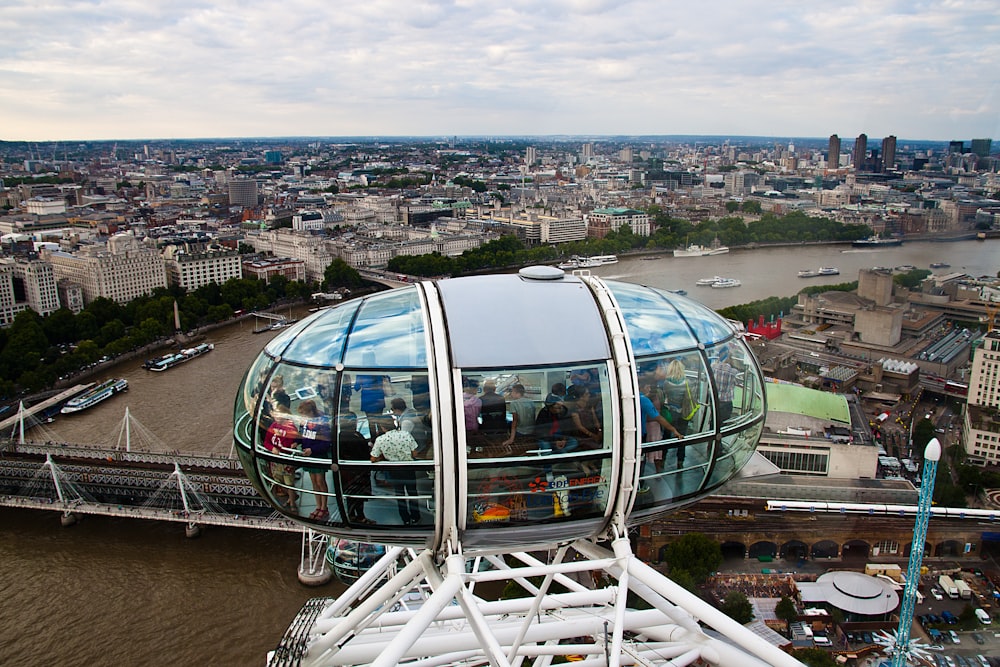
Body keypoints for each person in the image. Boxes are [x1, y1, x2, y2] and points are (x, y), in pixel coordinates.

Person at [370, 419, 421, 525]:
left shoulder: (380, 439)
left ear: (382, 427)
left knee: (399, 494)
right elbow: (415, 453)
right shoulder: (406, 434)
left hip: (394, 469)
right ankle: (416, 517)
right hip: (408, 468)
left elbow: (373, 458)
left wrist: (382, 458)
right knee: (412, 492)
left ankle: (405, 519)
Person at [297, 399, 332, 520]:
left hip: (317, 454)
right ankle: (318, 506)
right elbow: (301, 435)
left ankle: (324, 507)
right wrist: (295, 442)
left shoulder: (322, 423)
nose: (303, 417)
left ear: (311, 412)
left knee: (320, 481)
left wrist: (313, 450)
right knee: (314, 481)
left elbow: (327, 442)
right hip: (308, 454)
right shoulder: (304, 422)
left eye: (304, 414)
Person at [639, 375, 682, 472]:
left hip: (639, 431)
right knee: (641, 459)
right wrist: (673, 430)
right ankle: (640, 483)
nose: (649, 389)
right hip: (641, 433)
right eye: (647, 387)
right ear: (640, 387)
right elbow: (658, 417)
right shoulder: (644, 400)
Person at [263, 400, 300, 512]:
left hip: (286, 460)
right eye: (275, 416)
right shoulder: (273, 426)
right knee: (279, 482)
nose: (276, 419)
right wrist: (272, 448)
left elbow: (298, 439)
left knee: (289, 483)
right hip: (276, 461)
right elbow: (266, 442)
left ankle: (293, 503)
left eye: (279, 416)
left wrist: (295, 444)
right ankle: (291, 496)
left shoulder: (290, 427)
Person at [337, 412, 372, 524]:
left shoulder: (340, 435)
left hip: (346, 472)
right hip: (357, 471)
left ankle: (351, 515)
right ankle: (361, 517)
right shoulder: (355, 436)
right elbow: (363, 453)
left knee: (350, 495)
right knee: (358, 495)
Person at [659, 358, 696, 465]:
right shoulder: (687, 382)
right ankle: (680, 460)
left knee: (666, 435)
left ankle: (663, 458)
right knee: (681, 436)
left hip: (670, 413)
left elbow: (664, 397)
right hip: (683, 413)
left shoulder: (666, 383)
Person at [354, 365, 390, 438]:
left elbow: (356, 387)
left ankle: (374, 442)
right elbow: (388, 378)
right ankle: (383, 440)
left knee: (371, 424)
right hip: (379, 399)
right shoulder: (379, 368)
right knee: (380, 422)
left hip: (367, 401)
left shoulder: (361, 371)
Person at [713, 346, 739, 425]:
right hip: (726, 401)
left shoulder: (714, 367)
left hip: (715, 399)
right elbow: (737, 382)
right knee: (724, 422)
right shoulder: (733, 372)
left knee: (714, 420)